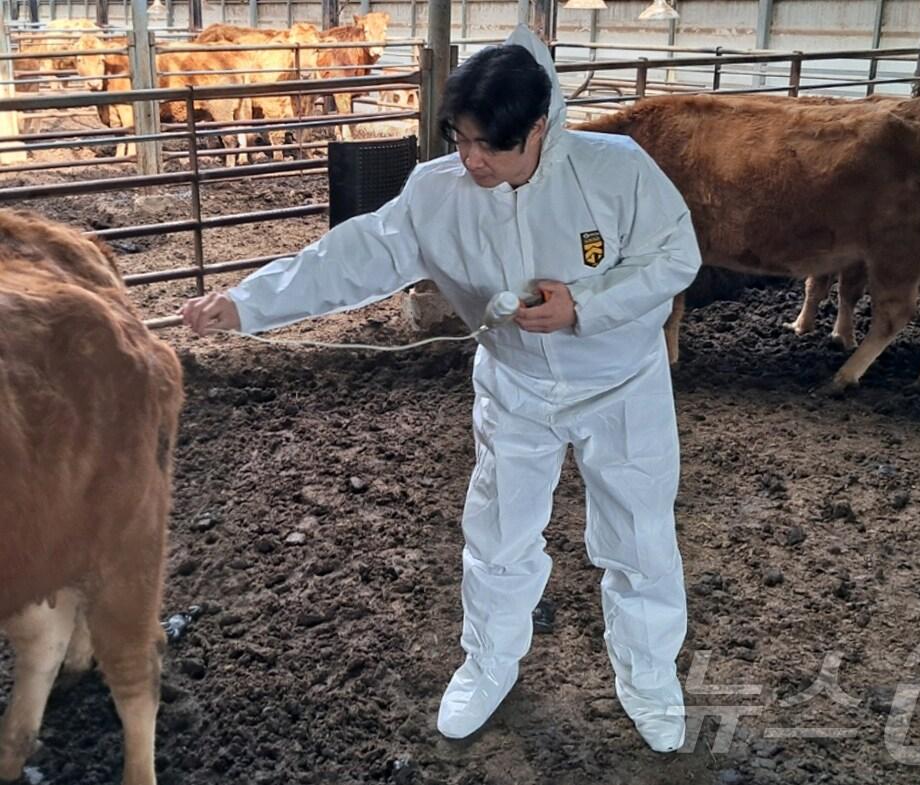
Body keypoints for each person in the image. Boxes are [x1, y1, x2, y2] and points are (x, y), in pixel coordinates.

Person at [181, 24, 701, 752]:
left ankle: (649, 679)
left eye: (490, 145)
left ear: (540, 129)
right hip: (517, 386)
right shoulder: (438, 192)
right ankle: (488, 664)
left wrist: (586, 305)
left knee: (639, 538)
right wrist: (245, 304)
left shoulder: (615, 170)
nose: (472, 159)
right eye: (460, 139)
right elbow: (352, 256)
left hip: (619, 384)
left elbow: (675, 254)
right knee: (497, 534)